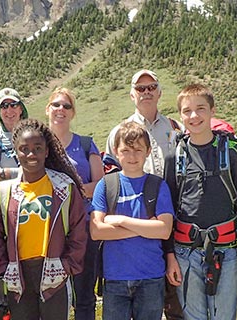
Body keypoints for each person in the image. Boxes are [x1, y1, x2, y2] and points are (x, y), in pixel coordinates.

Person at [163, 83, 237, 320]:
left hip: (225, 252)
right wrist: (169, 256)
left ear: (212, 111)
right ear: (180, 116)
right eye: (187, 111)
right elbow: (167, 211)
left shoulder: (232, 152)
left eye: (200, 109)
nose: (194, 116)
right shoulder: (174, 156)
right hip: (185, 252)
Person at [0, 118, 87, 320]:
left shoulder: (63, 187)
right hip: (19, 275)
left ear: (47, 151)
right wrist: (4, 268)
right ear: (16, 151)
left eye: (37, 148)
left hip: (55, 273)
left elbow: (78, 231)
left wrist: (66, 265)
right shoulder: (4, 191)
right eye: (24, 149)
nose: (31, 154)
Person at [105, 69, 183, 319]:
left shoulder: (176, 128)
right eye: (141, 88)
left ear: (160, 92)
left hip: (173, 218)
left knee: (175, 300)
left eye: (151, 87)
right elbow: (111, 182)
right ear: (132, 94)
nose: (146, 92)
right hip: (136, 224)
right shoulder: (119, 132)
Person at [90, 121, 175, 320]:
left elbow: (164, 230)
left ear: (148, 151)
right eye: (125, 150)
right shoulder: (106, 185)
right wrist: (146, 227)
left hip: (151, 277)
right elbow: (96, 231)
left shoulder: (157, 185)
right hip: (115, 278)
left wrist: (119, 220)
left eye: (138, 150)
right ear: (115, 151)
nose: (132, 156)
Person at [45, 87, 104, 320]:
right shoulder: (38, 146)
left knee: (84, 295)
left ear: (73, 113)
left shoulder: (87, 144)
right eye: (56, 104)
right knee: (49, 294)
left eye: (66, 106)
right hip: (48, 229)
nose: (61, 109)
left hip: (83, 228)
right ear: (48, 109)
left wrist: (68, 192)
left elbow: (100, 185)